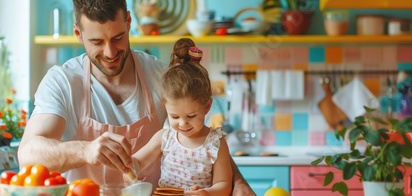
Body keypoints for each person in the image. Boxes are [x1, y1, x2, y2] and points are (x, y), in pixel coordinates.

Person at [17, 0, 256, 195]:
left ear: (129, 21)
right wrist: (86, 150)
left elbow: (203, 138)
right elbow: (28, 156)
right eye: (97, 42)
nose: (110, 52)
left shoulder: (160, 76)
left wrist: (238, 181)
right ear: (78, 33)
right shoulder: (63, 82)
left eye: (118, 37)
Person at [124, 38, 232, 195]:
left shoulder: (216, 143)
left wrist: (207, 193)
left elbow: (224, 184)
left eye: (191, 116)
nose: (183, 123)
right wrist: (129, 169)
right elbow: (138, 161)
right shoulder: (165, 137)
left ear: (207, 106)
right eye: (174, 116)